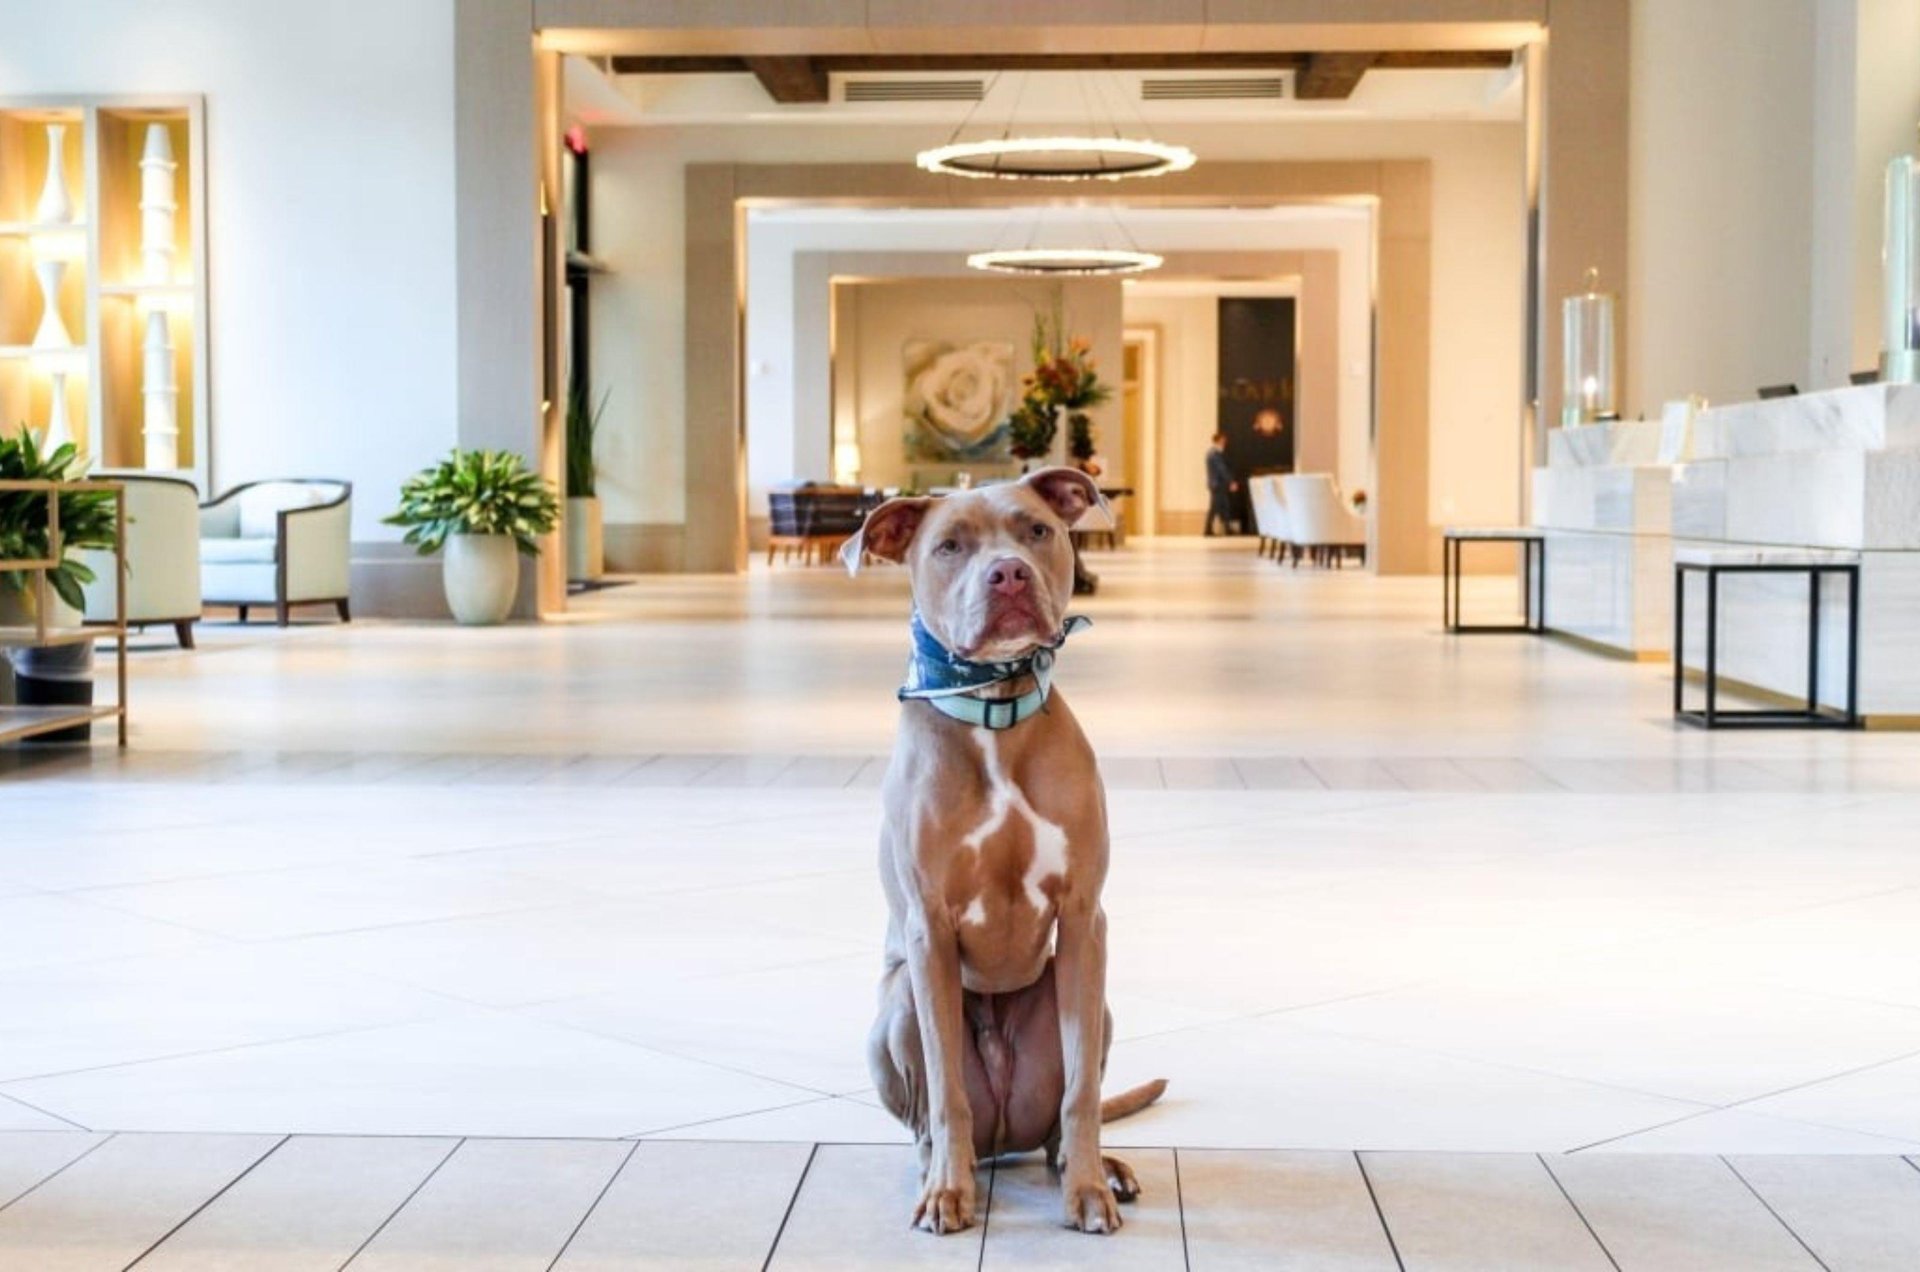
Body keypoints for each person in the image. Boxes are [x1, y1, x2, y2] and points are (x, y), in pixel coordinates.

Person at [1204, 432, 1238, 536]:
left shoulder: (1213, 453)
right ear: (1218, 440)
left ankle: (1227, 529)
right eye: (1223, 440)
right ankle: (1208, 530)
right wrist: (1231, 481)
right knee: (1215, 508)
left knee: (1224, 507)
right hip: (1217, 485)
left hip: (1218, 485)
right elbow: (1221, 470)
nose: (1225, 442)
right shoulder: (1214, 454)